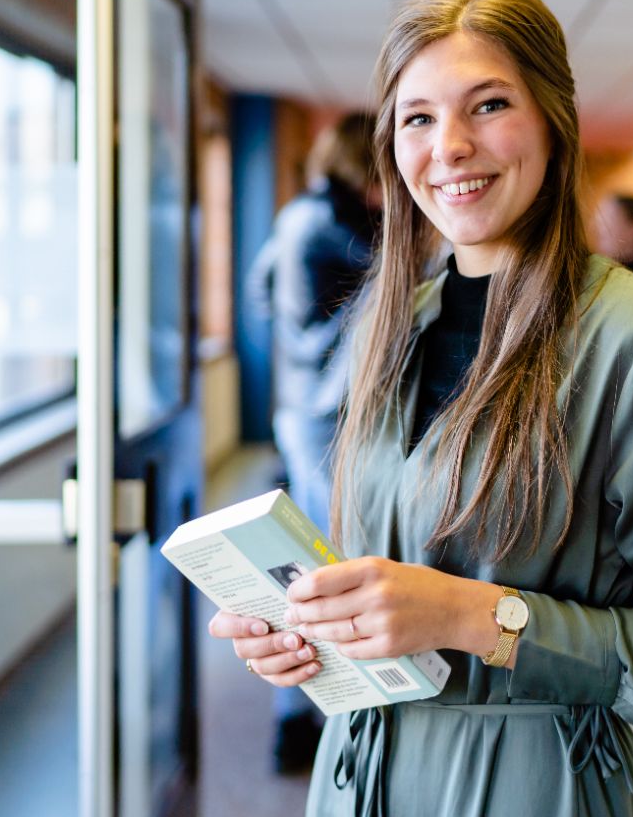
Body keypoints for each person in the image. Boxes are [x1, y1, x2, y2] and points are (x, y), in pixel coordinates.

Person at [212, 0, 633, 816]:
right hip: (357, 775)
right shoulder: (386, 325)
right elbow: (385, 566)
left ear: (553, 121)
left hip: (528, 785)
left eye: (489, 105)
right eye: (419, 118)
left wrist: (475, 615)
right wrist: (314, 634)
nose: (452, 146)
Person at [244, 110, 381, 772]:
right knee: (328, 561)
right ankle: (310, 714)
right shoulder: (337, 221)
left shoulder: (295, 215)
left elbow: (258, 290)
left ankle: (299, 715)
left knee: (317, 551)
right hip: (327, 408)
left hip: (302, 402)